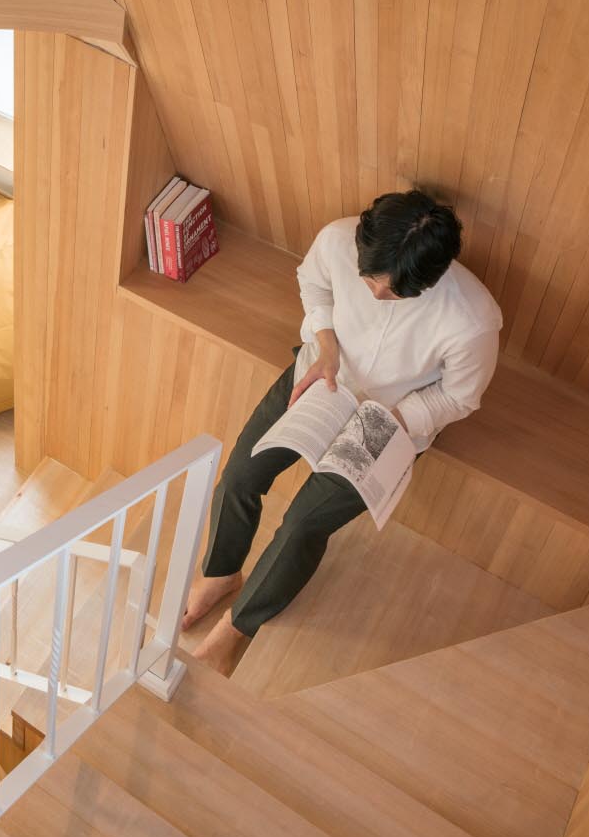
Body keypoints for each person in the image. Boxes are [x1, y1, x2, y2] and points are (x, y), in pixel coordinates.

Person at [184, 189, 501, 677]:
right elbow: (312, 284)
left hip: (391, 421)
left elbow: (460, 397)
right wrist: (326, 345)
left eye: (392, 292)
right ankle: (222, 572)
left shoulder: (473, 318)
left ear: (431, 279)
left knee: (302, 525)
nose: (375, 294)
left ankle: (237, 629)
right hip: (320, 376)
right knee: (239, 477)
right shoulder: (337, 239)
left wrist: (394, 419)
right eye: (370, 280)